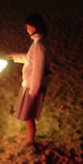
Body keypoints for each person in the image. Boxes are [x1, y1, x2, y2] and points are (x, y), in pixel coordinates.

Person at [7, 14, 51, 145]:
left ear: (34, 27)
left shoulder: (39, 45)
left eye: (28, 27)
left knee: (27, 113)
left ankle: (31, 138)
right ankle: (29, 136)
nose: (27, 30)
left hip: (32, 85)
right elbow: (30, 59)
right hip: (30, 83)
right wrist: (15, 57)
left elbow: (39, 68)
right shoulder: (38, 43)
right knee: (27, 112)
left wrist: (34, 90)